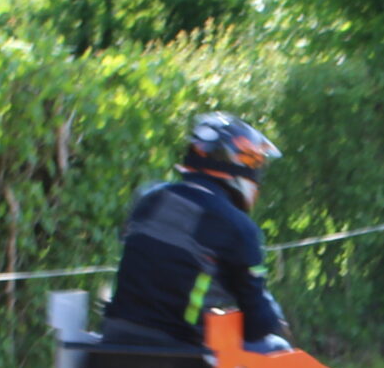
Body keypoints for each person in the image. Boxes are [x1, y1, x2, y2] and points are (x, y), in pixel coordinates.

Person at [99, 113, 291, 351]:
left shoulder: (149, 199)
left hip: (113, 345)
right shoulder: (236, 225)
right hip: (180, 360)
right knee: (276, 347)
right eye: (253, 161)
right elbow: (259, 324)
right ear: (235, 162)